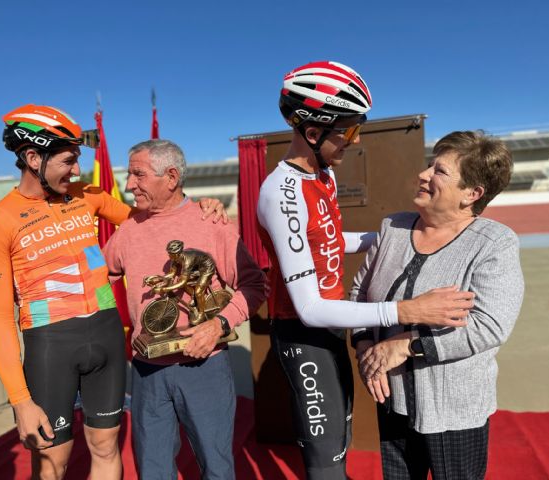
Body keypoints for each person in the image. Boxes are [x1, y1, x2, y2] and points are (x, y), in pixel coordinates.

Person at [0, 105, 226, 480]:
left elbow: (151, 219)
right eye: (68, 160)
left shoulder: (87, 196)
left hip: (107, 338)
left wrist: (200, 207)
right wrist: (20, 401)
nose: (76, 170)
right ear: (32, 158)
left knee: (106, 448)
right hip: (50, 345)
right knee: (50, 465)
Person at [256, 61, 477, 479]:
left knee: (339, 441)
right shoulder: (280, 193)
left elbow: (327, 242)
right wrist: (408, 311)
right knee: (326, 463)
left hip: (330, 328)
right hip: (304, 331)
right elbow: (310, 309)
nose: (352, 142)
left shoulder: (323, 175)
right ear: (312, 130)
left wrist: (394, 237)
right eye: (348, 131)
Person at [351, 131, 524, 480]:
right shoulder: (393, 227)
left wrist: (406, 345)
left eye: (439, 171)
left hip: (455, 412)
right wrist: (366, 347)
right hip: (391, 399)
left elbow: (489, 326)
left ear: (471, 194)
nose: (424, 174)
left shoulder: (494, 244)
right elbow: (359, 293)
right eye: (429, 165)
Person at [103, 139, 266, 479]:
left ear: (172, 177)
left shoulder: (211, 223)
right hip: (147, 372)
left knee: (216, 469)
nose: (129, 184)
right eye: (129, 175)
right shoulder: (128, 230)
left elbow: (254, 286)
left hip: (204, 367)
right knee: (152, 470)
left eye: (138, 174)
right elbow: (95, 278)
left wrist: (218, 324)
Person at [144, 239, 217, 324]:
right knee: (179, 279)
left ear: (177, 254)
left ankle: (201, 314)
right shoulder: (175, 259)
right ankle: (194, 297)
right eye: (168, 253)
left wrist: (163, 289)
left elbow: (182, 282)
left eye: (170, 253)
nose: (168, 255)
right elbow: (171, 274)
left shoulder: (187, 261)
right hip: (197, 266)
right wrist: (156, 279)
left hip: (207, 267)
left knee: (198, 292)